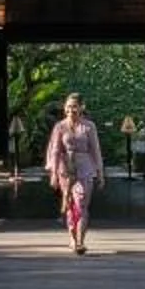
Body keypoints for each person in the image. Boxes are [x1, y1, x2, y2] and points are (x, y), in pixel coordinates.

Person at [43, 93, 104, 255]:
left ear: (81, 107)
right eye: (68, 106)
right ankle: (72, 237)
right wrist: (54, 173)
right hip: (65, 169)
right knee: (70, 204)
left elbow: (95, 150)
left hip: (85, 168)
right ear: (65, 108)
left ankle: (80, 241)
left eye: (74, 106)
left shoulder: (89, 126)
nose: (71, 110)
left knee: (82, 203)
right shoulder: (60, 127)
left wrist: (100, 173)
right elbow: (55, 150)